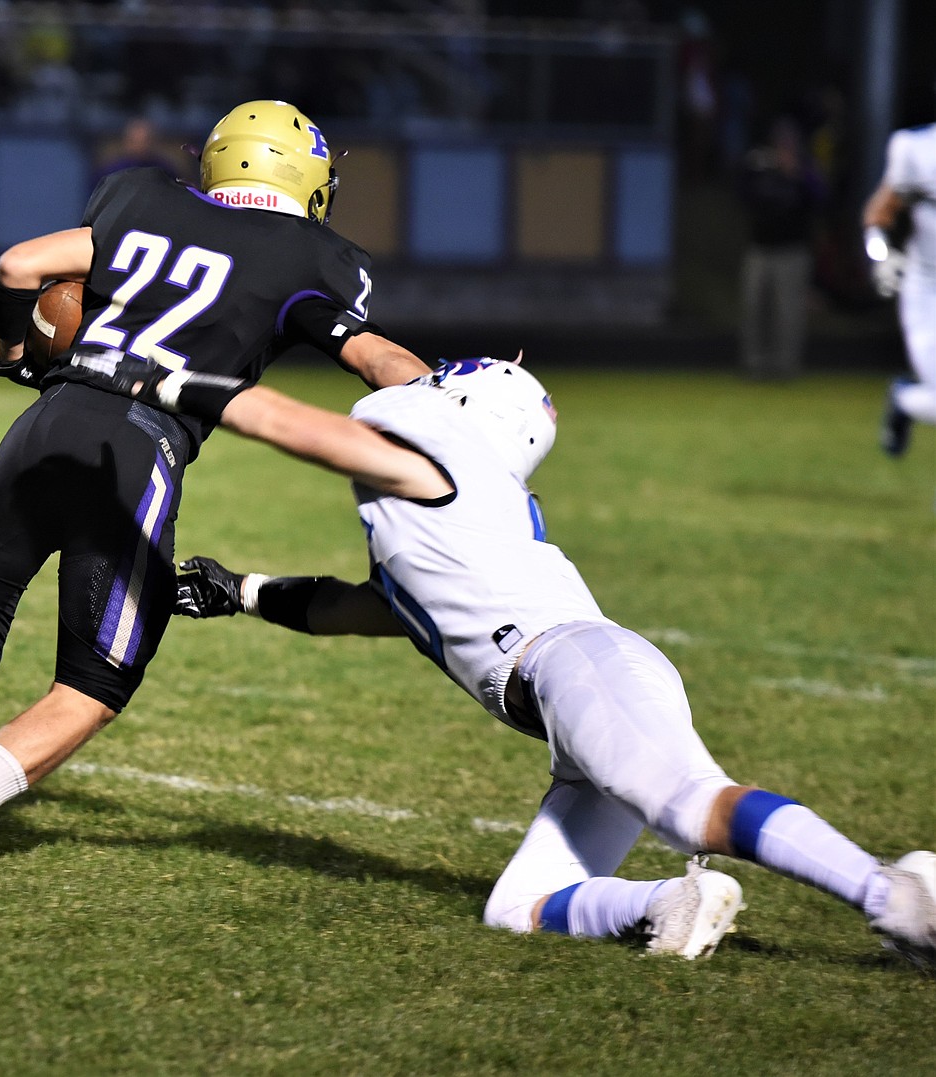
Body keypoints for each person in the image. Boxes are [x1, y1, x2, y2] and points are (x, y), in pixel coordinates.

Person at [144, 355, 936, 967]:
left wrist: (157, 379)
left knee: (694, 807)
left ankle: (894, 892)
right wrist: (243, 591)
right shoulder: (443, 535)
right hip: (577, 688)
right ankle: (676, 903)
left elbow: (291, 424)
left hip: (576, 665)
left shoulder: (433, 474)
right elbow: (346, 610)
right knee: (518, 905)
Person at [0, 99, 431, 872]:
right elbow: (373, 354)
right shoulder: (316, 257)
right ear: (307, 176)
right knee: (94, 681)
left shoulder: (141, 198)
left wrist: (18, 354)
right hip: (139, 445)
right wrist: (443, 397)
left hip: (48, 421)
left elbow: (19, 266)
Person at [863, 115, 936, 457]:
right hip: (928, 288)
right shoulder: (918, 148)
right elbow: (880, 213)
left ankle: (906, 400)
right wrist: (881, 255)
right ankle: (904, 399)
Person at [737, 116, 825, 380]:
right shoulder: (760, 164)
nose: (784, 148)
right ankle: (754, 365)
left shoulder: (804, 168)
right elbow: (742, 194)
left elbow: (822, 197)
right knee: (754, 308)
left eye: (789, 142)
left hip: (792, 250)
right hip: (760, 247)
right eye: (780, 142)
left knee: (788, 312)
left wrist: (797, 173)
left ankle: (785, 366)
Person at [89, 115, 181, 192]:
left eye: (146, 140)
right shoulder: (110, 173)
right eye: (136, 141)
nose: (141, 146)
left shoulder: (166, 171)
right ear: (127, 142)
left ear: (154, 142)